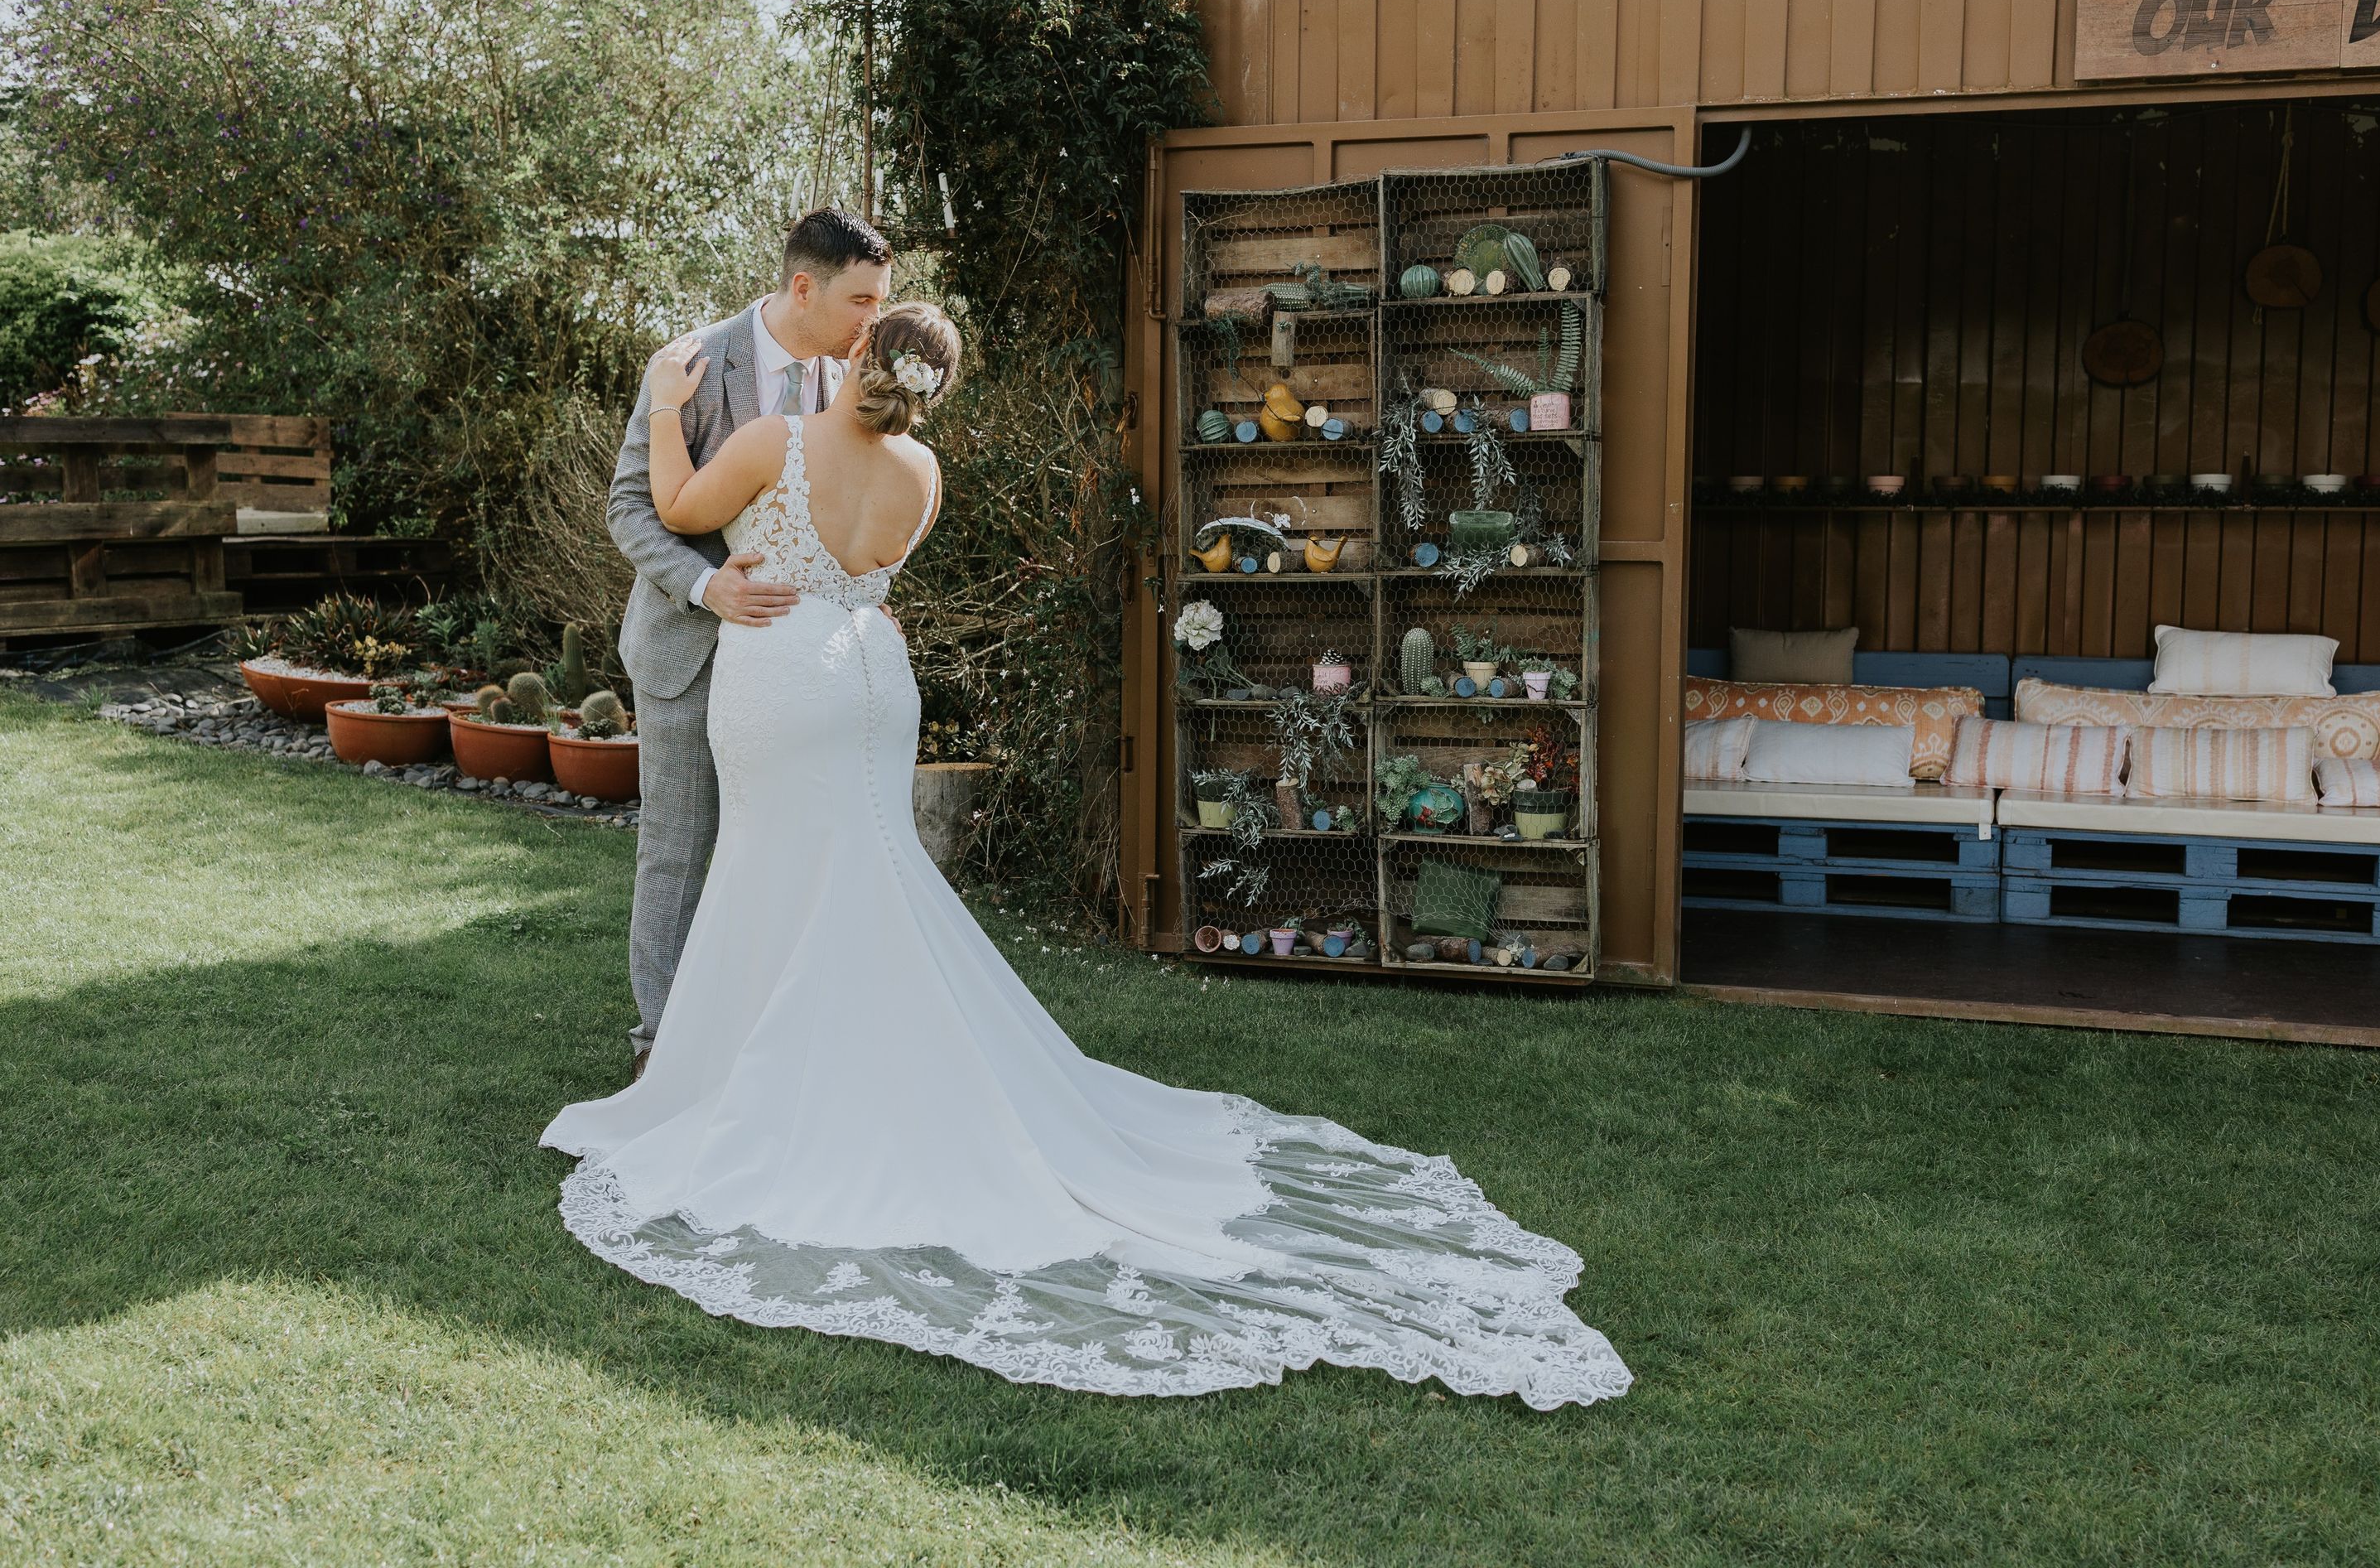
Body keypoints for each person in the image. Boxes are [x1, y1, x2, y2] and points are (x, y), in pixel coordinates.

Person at [542, 299, 1631, 1410]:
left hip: (781, 674)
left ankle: (783, 1085)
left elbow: (676, 505)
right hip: (873, 678)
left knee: (784, 877)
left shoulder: (775, 441)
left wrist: (669, 404)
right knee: (870, 879)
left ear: (862, 359)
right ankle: (876, 1064)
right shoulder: (923, 474)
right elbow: (868, 569)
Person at [605, 207, 895, 1080]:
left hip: (798, 665)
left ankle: (768, 1035)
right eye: (860, 301)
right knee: (680, 846)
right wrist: (707, 585)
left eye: (882, 305)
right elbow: (629, 508)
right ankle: (662, 1046)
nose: (871, 324)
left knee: (781, 844)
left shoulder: (853, 379)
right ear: (803, 286)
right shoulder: (685, 366)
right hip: (690, 649)